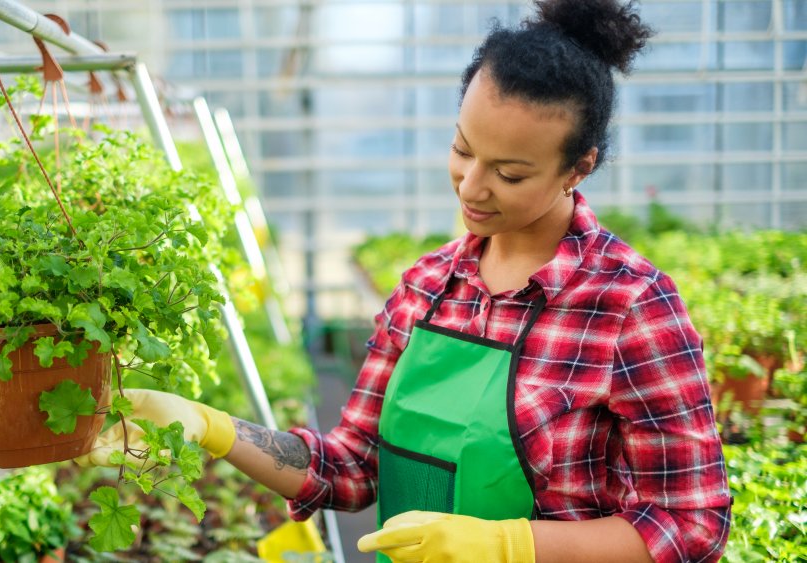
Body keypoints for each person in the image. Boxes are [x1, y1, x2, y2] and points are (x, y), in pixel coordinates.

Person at [77, 0, 733, 561]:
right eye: (462, 149)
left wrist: (512, 545)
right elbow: (352, 467)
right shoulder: (427, 285)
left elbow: (690, 525)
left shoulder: (630, 305)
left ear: (577, 168)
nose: (472, 187)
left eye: (509, 174)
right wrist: (213, 426)